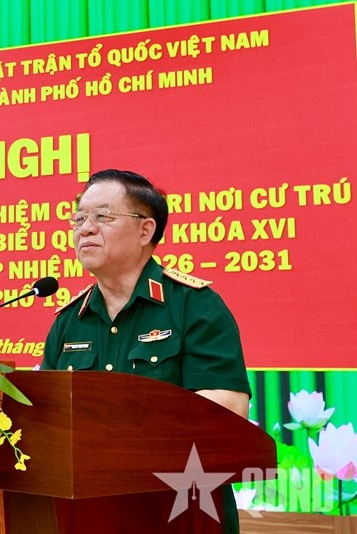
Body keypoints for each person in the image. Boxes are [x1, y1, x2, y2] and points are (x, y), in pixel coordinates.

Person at [41, 169, 251, 533]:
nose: (85, 229)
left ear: (145, 230)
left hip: (175, 513)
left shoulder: (194, 306)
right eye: (79, 218)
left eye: (102, 216)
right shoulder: (69, 321)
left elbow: (227, 409)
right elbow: (44, 420)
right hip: (88, 517)